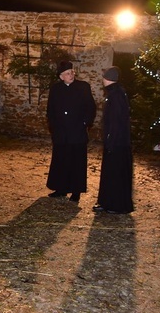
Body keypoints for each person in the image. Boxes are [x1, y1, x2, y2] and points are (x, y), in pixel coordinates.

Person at [46, 61, 96, 203]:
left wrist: (85, 122)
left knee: (76, 161)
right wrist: (53, 126)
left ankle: (76, 191)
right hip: (61, 133)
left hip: (77, 131)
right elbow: (50, 109)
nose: (71, 75)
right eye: (67, 73)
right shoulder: (55, 89)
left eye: (72, 72)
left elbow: (91, 107)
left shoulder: (83, 87)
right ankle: (60, 188)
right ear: (61, 77)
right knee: (61, 160)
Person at [94, 66, 135, 214]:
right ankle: (107, 202)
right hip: (114, 141)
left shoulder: (116, 95)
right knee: (109, 174)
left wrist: (111, 139)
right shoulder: (114, 92)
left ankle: (116, 204)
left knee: (116, 174)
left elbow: (117, 121)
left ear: (107, 78)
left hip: (117, 143)